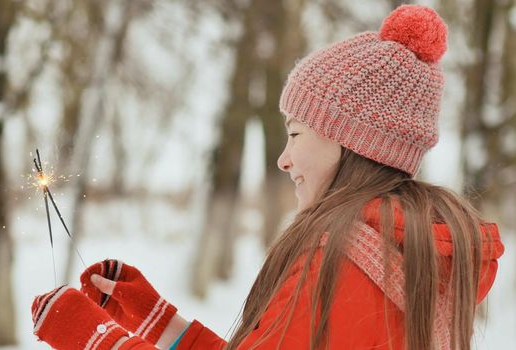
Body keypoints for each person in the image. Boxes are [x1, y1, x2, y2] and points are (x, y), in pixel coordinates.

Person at [30, 5, 505, 350]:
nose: (283, 158)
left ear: (351, 139)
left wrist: (90, 339)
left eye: (296, 133)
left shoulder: (346, 262)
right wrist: (159, 321)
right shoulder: (406, 252)